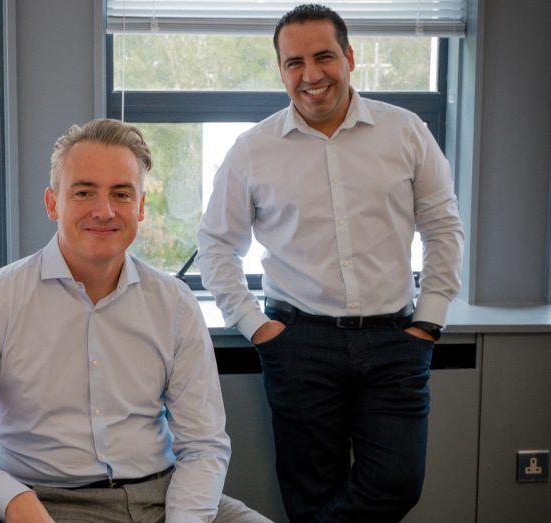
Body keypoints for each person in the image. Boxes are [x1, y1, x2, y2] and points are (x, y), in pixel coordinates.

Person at [0, 119, 270, 523]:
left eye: (121, 194)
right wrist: (13, 500)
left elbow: (204, 445)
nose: (105, 211)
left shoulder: (175, 303)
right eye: (84, 192)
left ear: (140, 207)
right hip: (46, 504)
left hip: (170, 498)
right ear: (52, 203)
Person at [197, 4, 464, 522]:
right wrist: (256, 327)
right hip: (299, 347)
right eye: (294, 62)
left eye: (324, 56)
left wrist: (428, 320)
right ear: (281, 70)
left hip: (394, 342)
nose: (311, 74)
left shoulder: (405, 133)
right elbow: (216, 246)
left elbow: (442, 227)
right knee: (310, 493)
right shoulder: (253, 150)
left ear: (349, 57)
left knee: (397, 483)